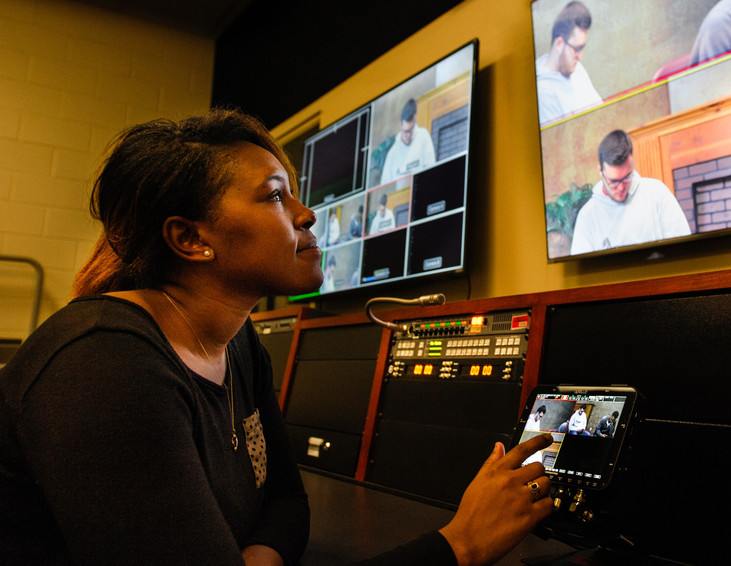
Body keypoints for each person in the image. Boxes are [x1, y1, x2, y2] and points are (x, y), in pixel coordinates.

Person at [0, 108, 554, 566]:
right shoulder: (103, 368)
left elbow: (286, 501)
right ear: (190, 239)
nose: (307, 214)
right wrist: (459, 543)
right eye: (274, 197)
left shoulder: (239, 344)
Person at [570, 130, 692, 255]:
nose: (621, 187)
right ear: (600, 171)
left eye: (627, 177)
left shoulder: (657, 192)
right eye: (614, 181)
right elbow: (583, 269)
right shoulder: (588, 216)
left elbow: (684, 247)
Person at [535, 1, 601, 124]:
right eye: (576, 49)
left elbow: (601, 113)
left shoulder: (577, 68)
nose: (580, 56)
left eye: (582, 48)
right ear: (559, 44)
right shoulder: (542, 93)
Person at [380, 98, 436, 184]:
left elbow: (431, 169)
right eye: (406, 131)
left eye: (411, 130)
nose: (408, 135)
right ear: (401, 126)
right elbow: (385, 184)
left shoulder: (423, 136)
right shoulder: (392, 154)